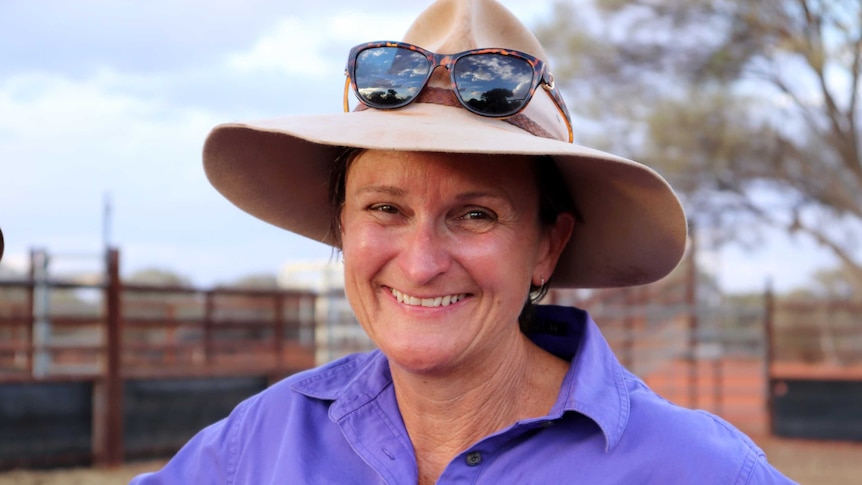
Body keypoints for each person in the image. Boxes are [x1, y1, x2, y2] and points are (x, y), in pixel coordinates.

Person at [132, 0, 794, 483]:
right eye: (386, 207)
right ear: (344, 225)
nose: (421, 263)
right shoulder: (264, 443)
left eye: (475, 215)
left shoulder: (695, 469)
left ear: (546, 245)